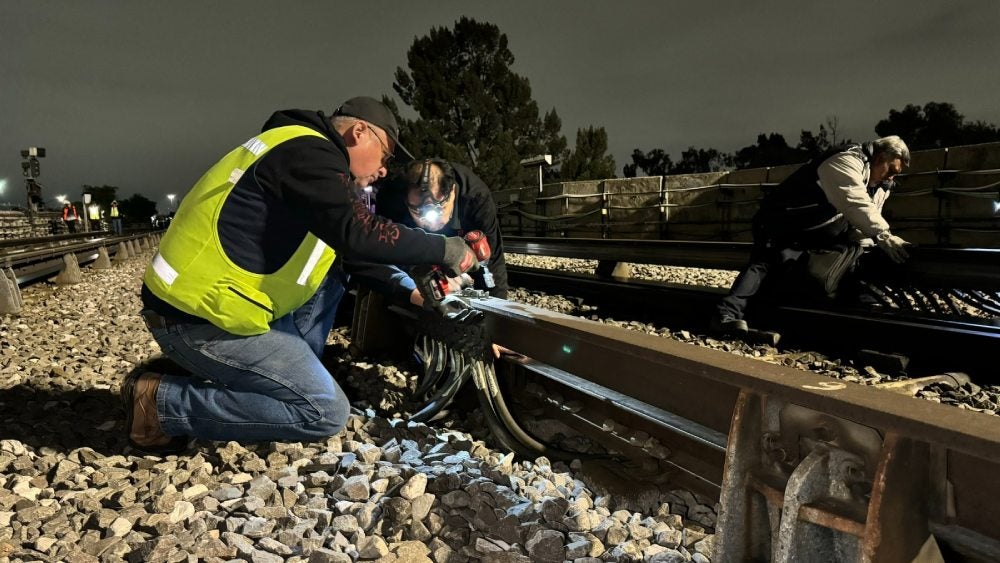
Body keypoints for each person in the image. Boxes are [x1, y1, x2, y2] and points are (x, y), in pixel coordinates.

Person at [125, 96, 481, 453]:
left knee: (333, 277)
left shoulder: (304, 161)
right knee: (324, 412)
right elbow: (359, 233)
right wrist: (444, 249)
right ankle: (163, 403)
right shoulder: (310, 151)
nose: (384, 169)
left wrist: (412, 289)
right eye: (385, 156)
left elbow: (349, 255)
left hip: (219, 307)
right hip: (195, 318)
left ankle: (255, 382)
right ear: (360, 132)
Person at [712, 135, 912, 334]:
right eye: (891, 170)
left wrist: (871, 250)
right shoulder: (846, 160)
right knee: (766, 262)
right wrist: (884, 236)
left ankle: (865, 317)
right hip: (781, 221)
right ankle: (726, 315)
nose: (891, 178)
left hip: (814, 230)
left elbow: (863, 224)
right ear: (879, 157)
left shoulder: (879, 186)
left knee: (850, 258)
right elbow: (855, 203)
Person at [364, 158, 509, 306]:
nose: (428, 222)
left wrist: (498, 307)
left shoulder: (476, 197)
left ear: (452, 191)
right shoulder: (390, 197)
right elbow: (385, 250)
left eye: (438, 209)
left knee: (481, 253)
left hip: (459, 229)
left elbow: (494, 259)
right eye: (418, 211)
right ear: (405, 200)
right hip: (412, 235)